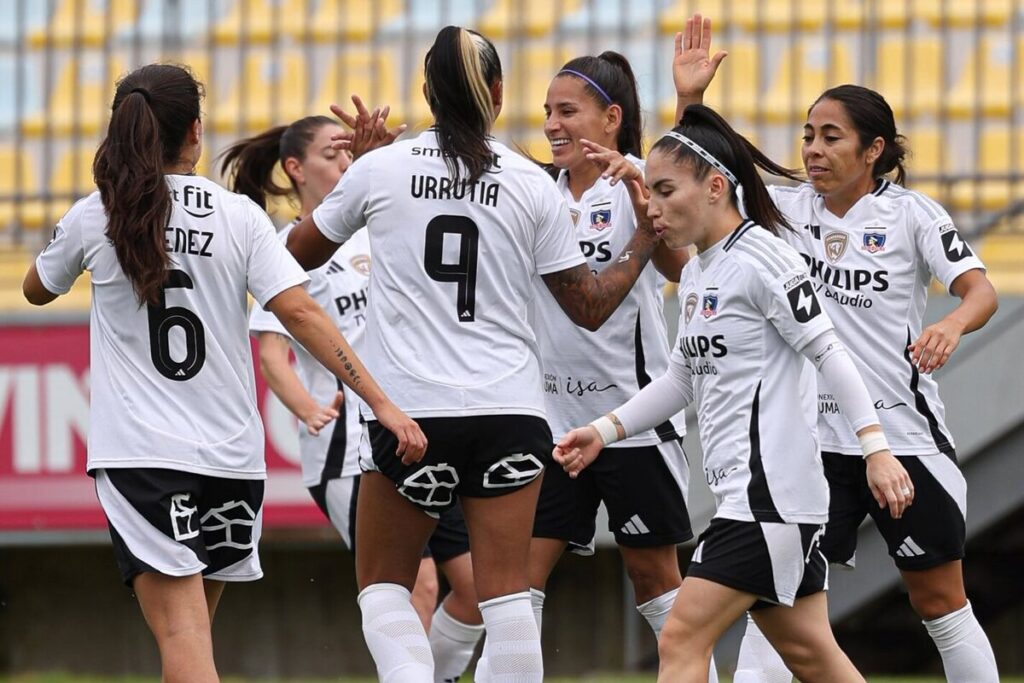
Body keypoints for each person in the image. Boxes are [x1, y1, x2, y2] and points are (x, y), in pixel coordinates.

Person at [286, 26, 666, 683]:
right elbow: (590, 305)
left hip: (409, 411)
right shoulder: (529, 182)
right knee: (506, 594)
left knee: (382, 586)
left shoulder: (381, 168)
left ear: (428, 94)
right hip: (512, 409)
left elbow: (295, 256)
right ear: (496, 92)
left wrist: (371, 186)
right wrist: (642, 244)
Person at [21, 63, 424, 683]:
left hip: (145, 457)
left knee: (185, 644)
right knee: (191, 643)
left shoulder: (97, 214)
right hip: (232, 461)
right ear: (195, 134)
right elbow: (302, 313)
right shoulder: (239, 217)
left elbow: (37, 290)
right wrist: (384, 403)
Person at [671, 15, 1001, 683]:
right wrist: (691, 103)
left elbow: (981, 291)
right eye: (807, 136)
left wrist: (951, 323)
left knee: (940, 601)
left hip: (901, 437)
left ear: (874, 148)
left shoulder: (912, 214)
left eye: (831, 137)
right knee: (779, 603)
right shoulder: (787, 210)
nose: (814, 149)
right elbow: (700, 175)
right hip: (812, 450)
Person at [554, 104, 915, 683]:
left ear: (716, 187)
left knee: (679, 639)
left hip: (767, 502)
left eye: (665, 190)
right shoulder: (698, 271)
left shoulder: (763, 259)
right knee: (812, 658)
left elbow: (831, 354)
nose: (651, 207)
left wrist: (876, 449)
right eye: (649, 192)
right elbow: (679, 380)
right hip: (757, 502)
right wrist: (602, 431)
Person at [220, 115, 485, 681]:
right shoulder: (286, 249)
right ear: (295, 169)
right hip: (350, 446)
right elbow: (271, 352)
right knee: (417, 582)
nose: (343, 164)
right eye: (330, 155)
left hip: (421, 431)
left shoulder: (376, 231)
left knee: (479, 590)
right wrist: (305, 407)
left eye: (348, 155)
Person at [526, 50, 702, 668]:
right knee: (518, 584)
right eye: (547, 111)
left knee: (655, 579)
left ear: (611, 118)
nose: (551, 123)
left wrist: (638, 189)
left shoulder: (636, 184)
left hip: (633, 423)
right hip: (551, 426)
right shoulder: (537, 194)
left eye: (566, 110)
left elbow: (683, 267)